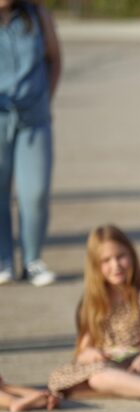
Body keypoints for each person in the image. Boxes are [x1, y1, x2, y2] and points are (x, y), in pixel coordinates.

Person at [47, 225, 140, 408]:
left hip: (136, 366)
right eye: (106, 260)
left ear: (132, 256)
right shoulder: (93, 302)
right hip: (103, 366)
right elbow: (82, 352)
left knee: (97, 380)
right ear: (95, 266)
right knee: (63, 379)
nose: (116, 265)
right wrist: (92, 354)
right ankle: (138, 389)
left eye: (121, 257)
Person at [0, 0, 61, 288]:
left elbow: (55, 59)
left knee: (34, 192)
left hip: (33, 120)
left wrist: (45, 99)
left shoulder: (37, 15)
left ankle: (33, 259)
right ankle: (3, 262)